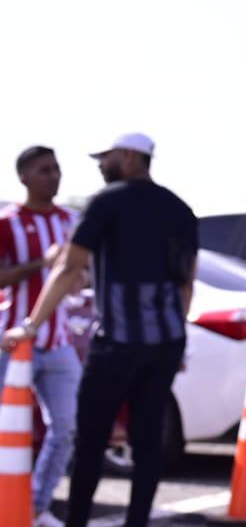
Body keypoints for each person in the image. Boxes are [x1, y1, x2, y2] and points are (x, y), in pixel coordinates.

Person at [2, 133, 196, 527]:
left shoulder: (107, 202)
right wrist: (177, 335)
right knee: (146, 440)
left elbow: (70, 268)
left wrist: (31, 325)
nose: (99, 167)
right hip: (165, 342)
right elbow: (186, 283)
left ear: (127, 157)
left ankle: (74, 520)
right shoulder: (179, 208)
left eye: (104, 160)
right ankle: (136, 521)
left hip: (117, 343)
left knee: (89, 440)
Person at [0, 147, 86, 527]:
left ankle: (35, 505)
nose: (54, 177)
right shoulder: (8, 223)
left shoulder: (72, 220)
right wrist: (41, 264)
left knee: (66, 426)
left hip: (58, 340)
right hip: (12, 340)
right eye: (44, 170)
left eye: (57, 170)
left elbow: (79, 280)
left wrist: (74, 276)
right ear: (24, 177)